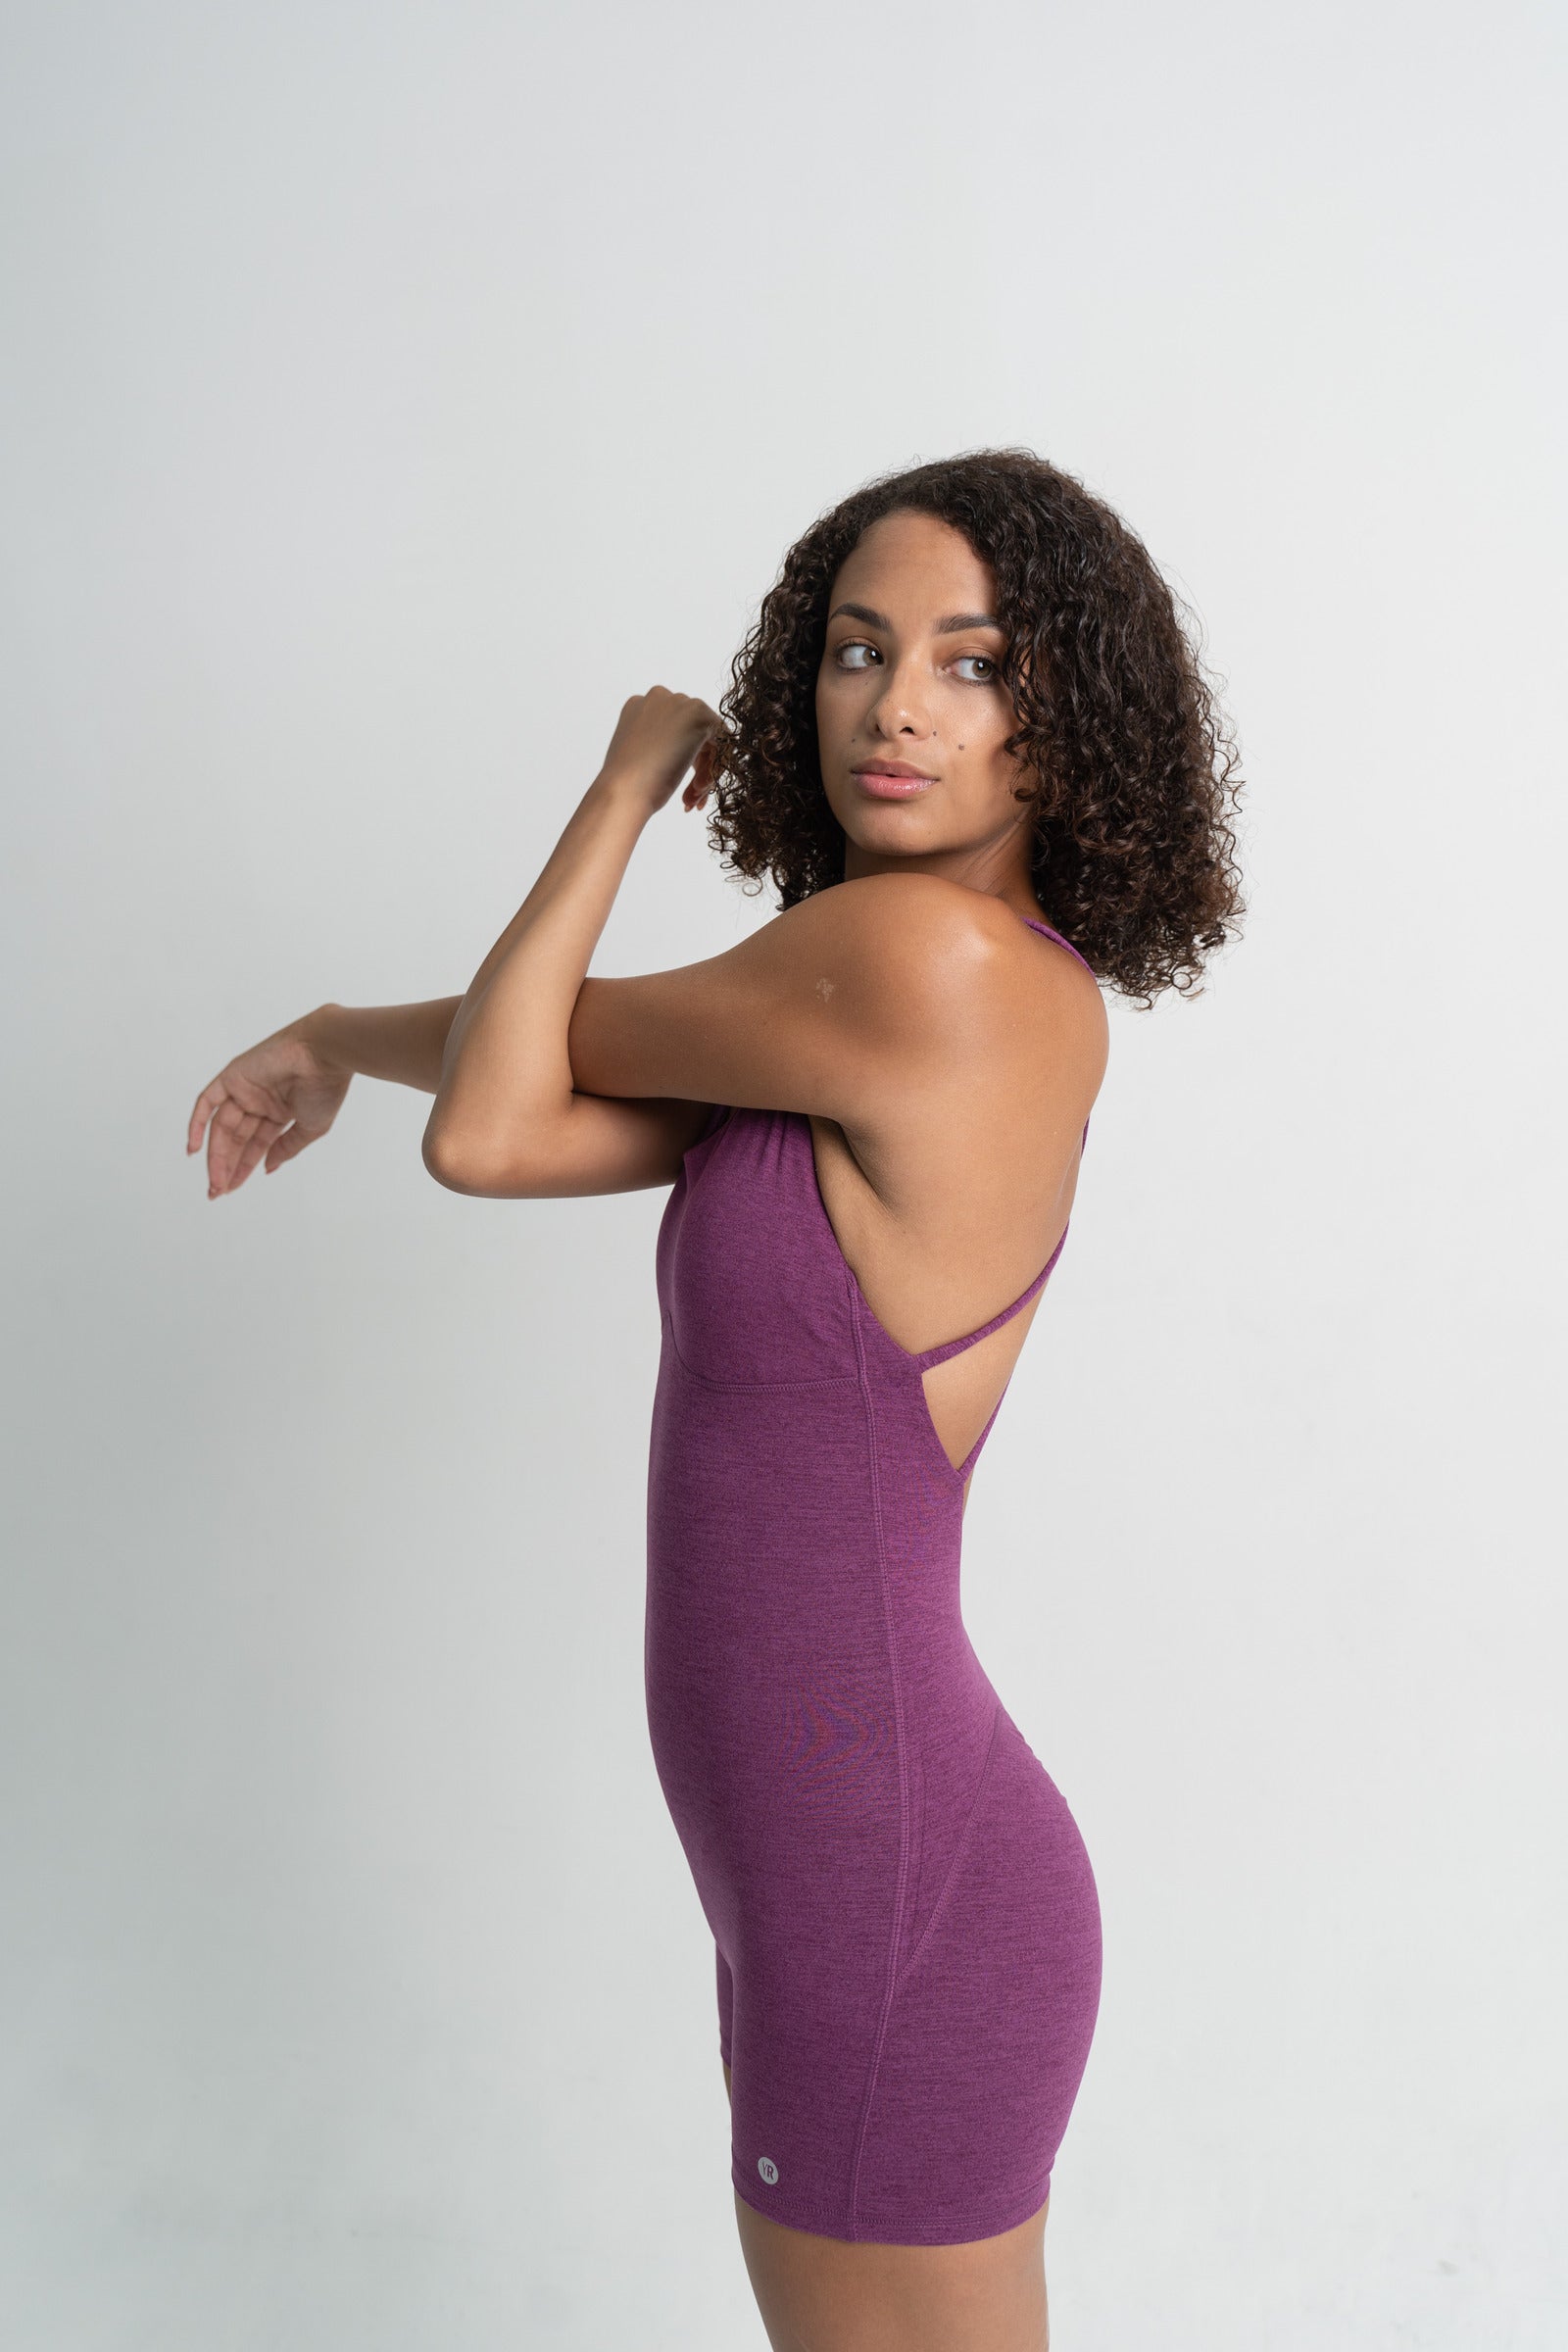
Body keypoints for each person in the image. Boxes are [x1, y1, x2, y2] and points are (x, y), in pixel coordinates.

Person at [187, 450, 1243, 2350]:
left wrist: (618, 788)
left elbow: (488, 1111)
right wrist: (334, 1038)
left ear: (1067, 719)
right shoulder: (852, 1017)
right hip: (852, 1856)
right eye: (856, 649)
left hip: (874, 1864)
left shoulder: (912, 961)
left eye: (973, 662)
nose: (897, 705)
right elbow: (525, 1110)